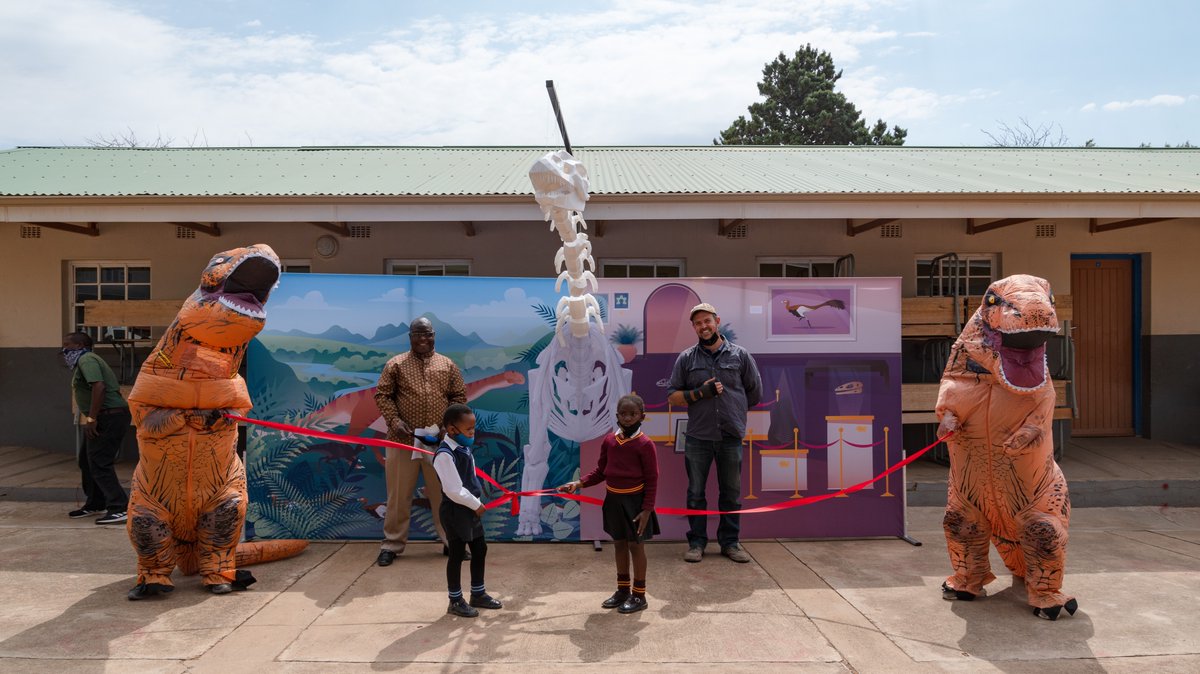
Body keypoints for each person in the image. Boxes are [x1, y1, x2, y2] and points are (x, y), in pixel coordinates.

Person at [667, 303, 762, 564]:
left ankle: (730, 543)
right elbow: (673, 396)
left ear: (717, 321)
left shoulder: (740, 356)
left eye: (707, 321)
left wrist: (734, 411)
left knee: (730, 492)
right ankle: (697, 543)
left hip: (730, 436)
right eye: (698, 323)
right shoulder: (686, 359)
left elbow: (753, 393)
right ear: (694, 327)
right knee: (695, 492)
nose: (703, 326)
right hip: (698, 436)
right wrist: (700, 393)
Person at [374, 317, 467, 566]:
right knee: (398, 495)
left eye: (427, 334)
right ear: (410, 337)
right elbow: (382, 395)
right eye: (418, 334)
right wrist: (394, 421)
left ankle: (451, 542)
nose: (423, 339)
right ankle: (391, 544)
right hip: (402, 440)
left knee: (445, 493)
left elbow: (459, 397)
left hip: (439, 442)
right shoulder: (396, 364)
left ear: (434, 335)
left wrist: (448, 428)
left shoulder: (447, 365)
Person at [558, 394, 660, 614]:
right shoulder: (610, 441)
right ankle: (622, 591)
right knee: (619, 544)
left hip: (635, 503)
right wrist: (579, 483)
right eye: (623, 414)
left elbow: (652, 479)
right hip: (613, 501)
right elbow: (601, 472)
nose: (628, 418)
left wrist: (647, 509)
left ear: (642, 416)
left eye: (633, 414)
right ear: (617, 416)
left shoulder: (645, 444)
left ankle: (639, 595)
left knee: (636, 546)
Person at [434, 403, 503, 617]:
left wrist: (475, 503)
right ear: (452, 430)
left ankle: (478, 593)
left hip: (469, 509)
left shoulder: (464, 449)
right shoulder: (445, 455)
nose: (473, 433)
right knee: (456, 554)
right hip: (456, 511)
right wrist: (477, 505)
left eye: (474, 428)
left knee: (480, 549)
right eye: (469, 430)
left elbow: (470, 479)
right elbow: (454, 490)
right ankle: (455, 600)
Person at [62, 332, 130, 525]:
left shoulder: (88, 359)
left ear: (80, 345)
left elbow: (98, 387)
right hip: (103, 417)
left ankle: (120, 507)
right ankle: (96, 502)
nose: (64, 349)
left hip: (109, 416)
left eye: (68, 344)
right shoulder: (84, 360)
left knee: (100, 463)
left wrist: (91, 418)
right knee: (86, 460)